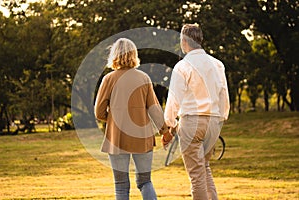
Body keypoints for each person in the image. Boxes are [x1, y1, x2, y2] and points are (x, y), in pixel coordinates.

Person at [94, 38, 172, 200]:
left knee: (121, 186)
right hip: (142, 137)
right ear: (134, 54)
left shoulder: (108, 79)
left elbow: (99, 112)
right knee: (145, 181)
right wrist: (165, 132)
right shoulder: (143, 78)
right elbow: (154, 109)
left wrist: (114, 118)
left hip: (117, 137)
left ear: (114, 55)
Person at [163, 24, 230, 200]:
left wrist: (170, 124)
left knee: (196, 176)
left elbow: (174, 99)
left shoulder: (183, 66)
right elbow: (224, 94)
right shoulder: (217, 64)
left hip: (192, 121)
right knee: (204, 167)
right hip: (214, 121)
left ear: (184, 41)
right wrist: (221, 117)